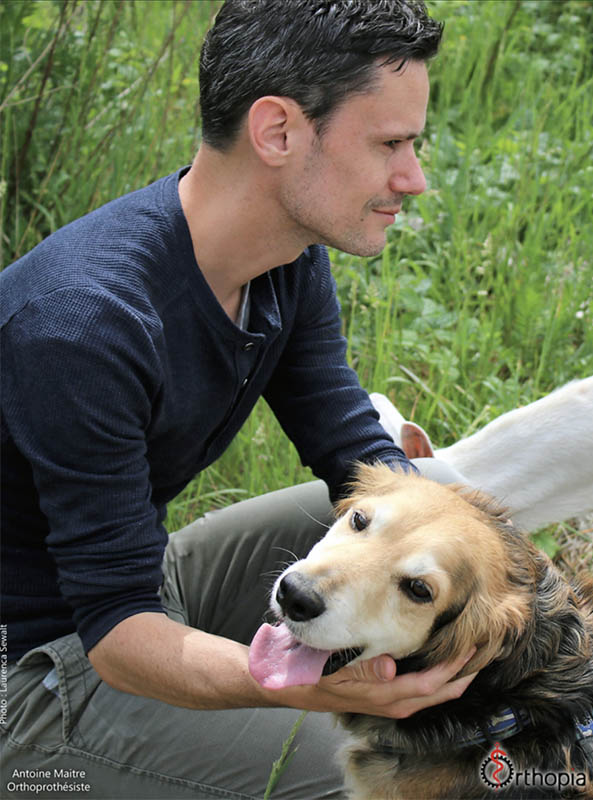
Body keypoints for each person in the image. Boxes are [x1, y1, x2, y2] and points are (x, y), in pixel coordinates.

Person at [0, 1, 476, 797]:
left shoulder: (282, 257)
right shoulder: (83, 326)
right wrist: (300, 687)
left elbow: (347, 442)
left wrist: (483, 566)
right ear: (277, 131)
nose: (413, 178)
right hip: (33, 675)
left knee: (419, 519)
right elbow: (117, 631)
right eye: (389, 144)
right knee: (405, 776)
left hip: (138, 582)